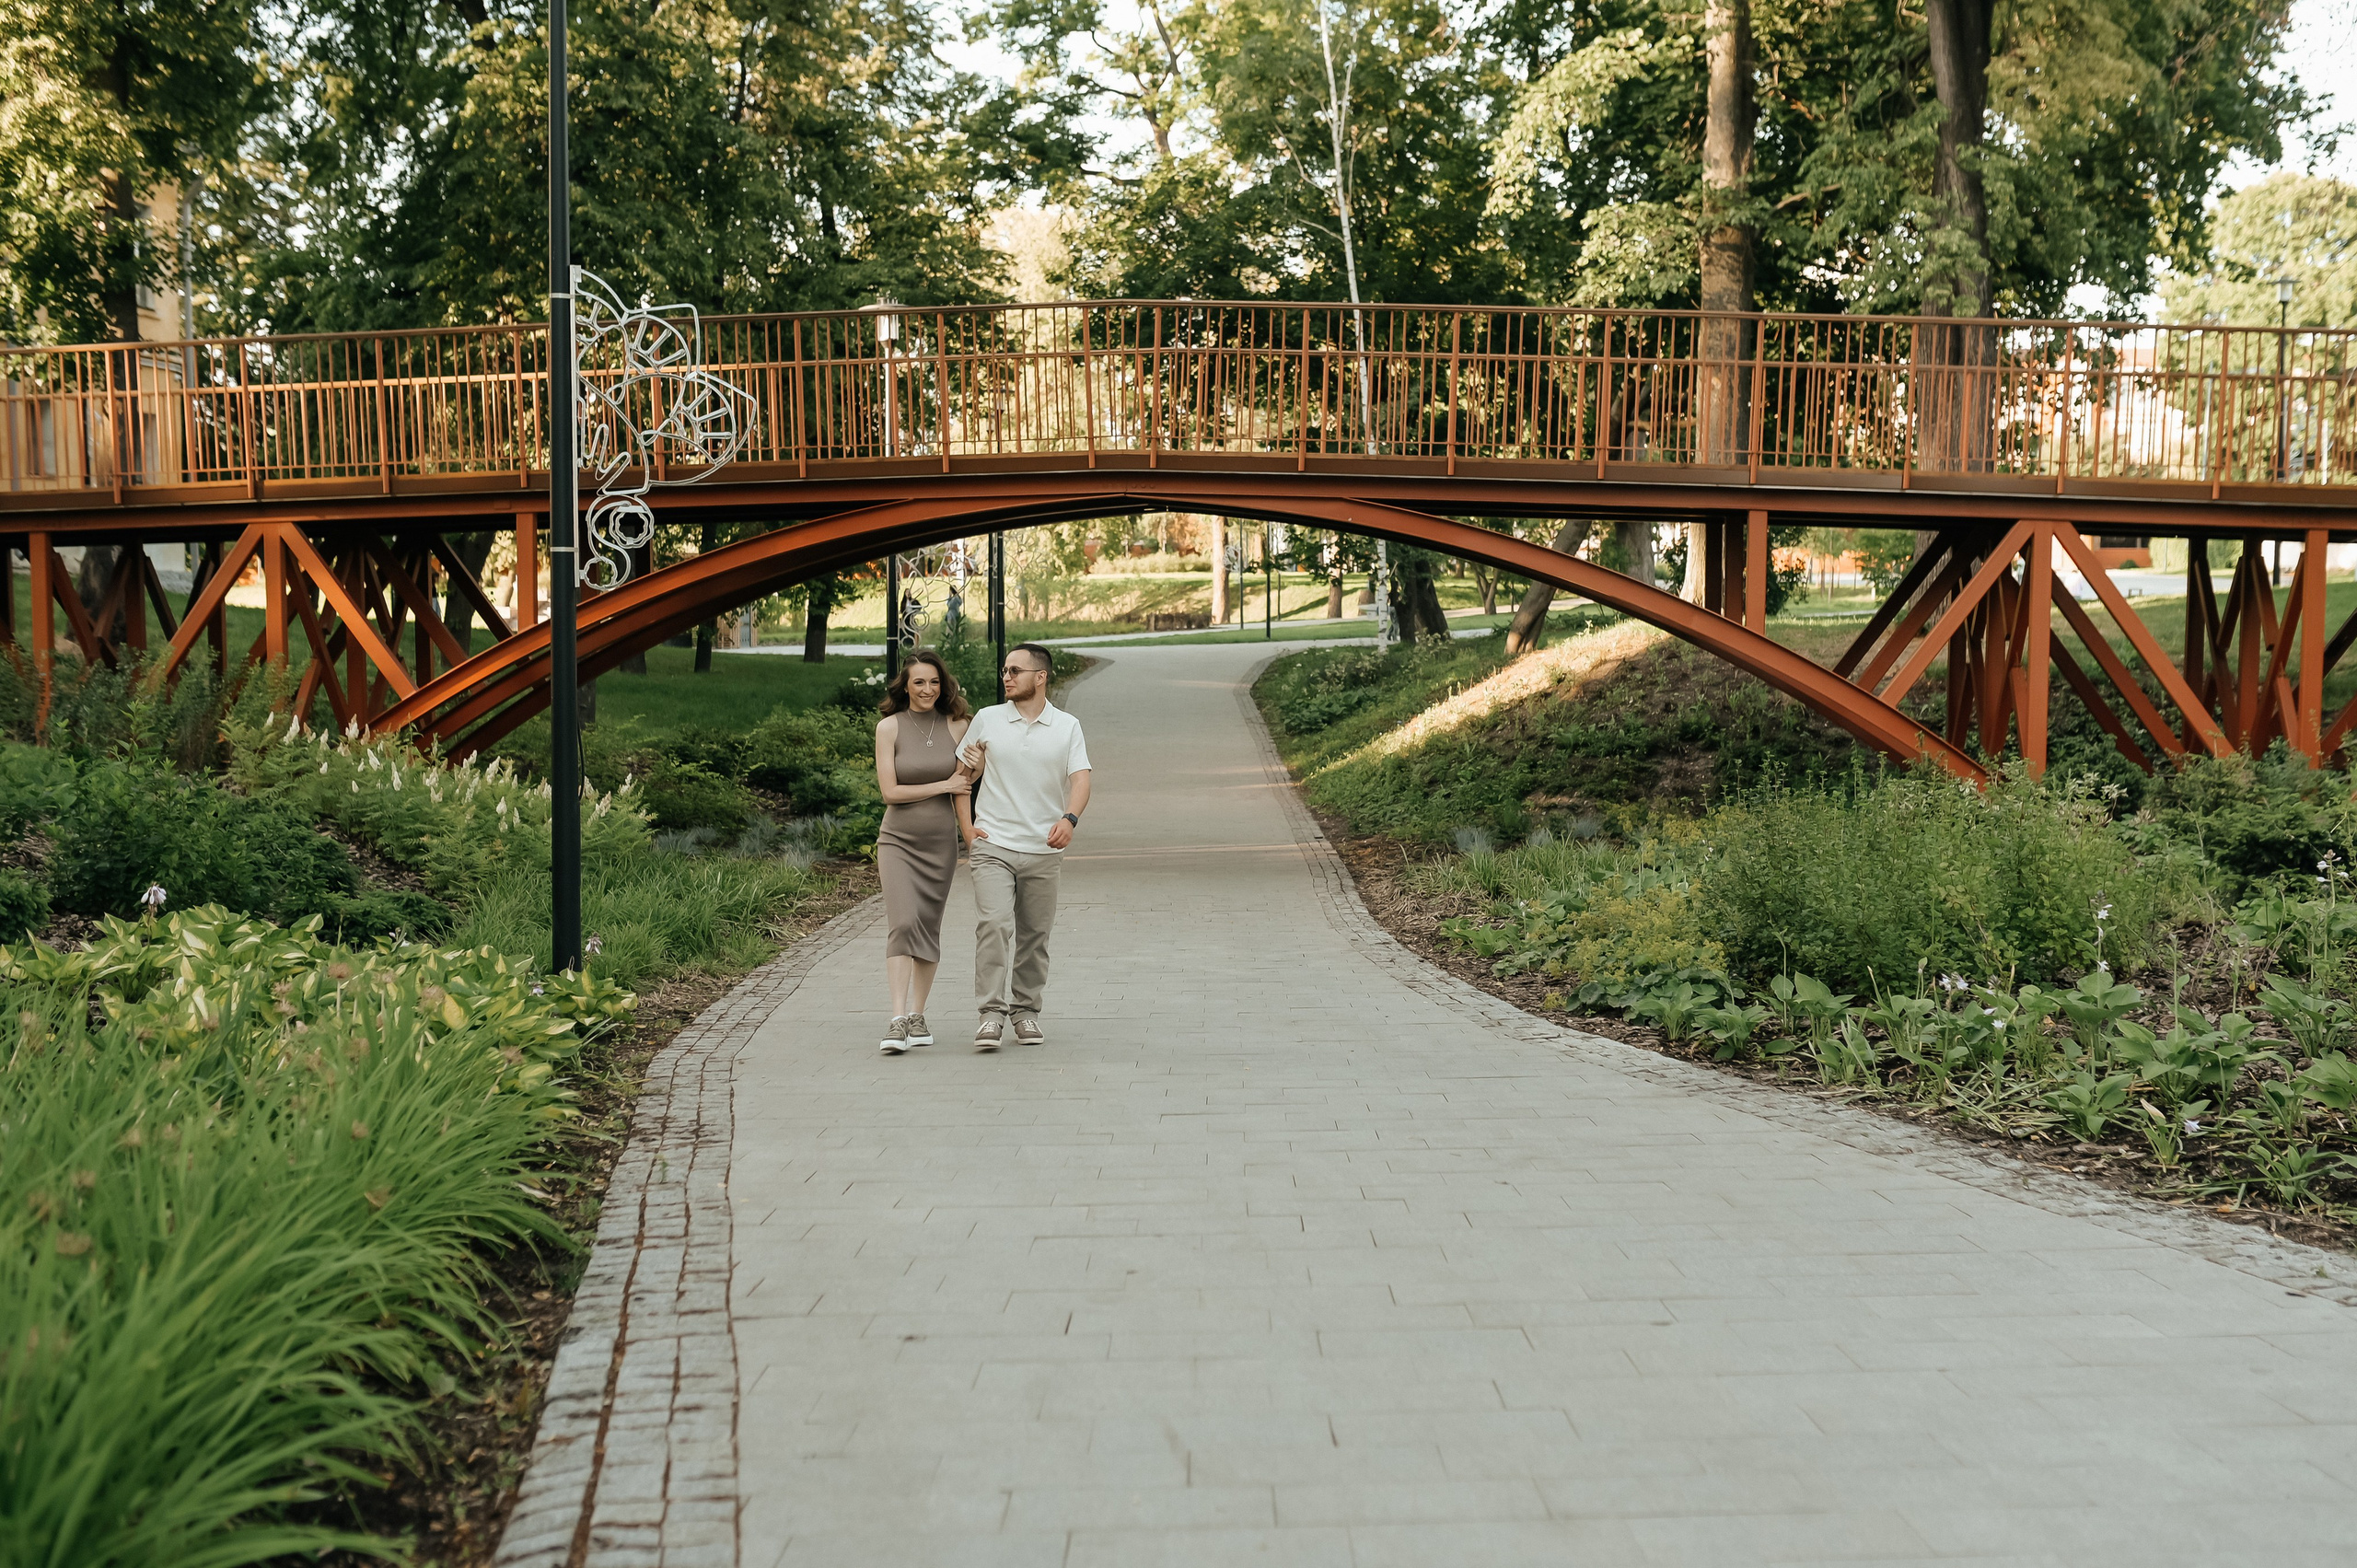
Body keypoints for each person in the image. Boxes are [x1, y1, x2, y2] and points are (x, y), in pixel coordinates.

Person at [957, 643, 1091, 1051]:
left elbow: (1081, 779)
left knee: (1035, 936)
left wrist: (1069, 819)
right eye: (1004, 671)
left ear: (1041, 676)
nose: (1007, 677)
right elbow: (961, 778)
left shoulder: (1067, 726)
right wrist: (968, 830)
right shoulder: (987, 719)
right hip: (993, 843)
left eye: (1015, 671)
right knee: (995, 925)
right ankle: (991, 1016)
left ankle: (1026, 1012)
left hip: (1043, 849)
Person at [872, 650, 976, 1055]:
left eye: (934, 682)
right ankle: (897, 1019)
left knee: (928, 927)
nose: (927, 689)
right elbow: (890, 793)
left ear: (943, 684)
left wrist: (970, 772)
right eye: (919, 682)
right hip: (897, 841)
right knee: (904, 923)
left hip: (940, 845)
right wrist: (943, 785)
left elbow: (970, 777)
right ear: (905, 686)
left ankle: (918, 1016)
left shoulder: (958, 725)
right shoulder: (889, 728)